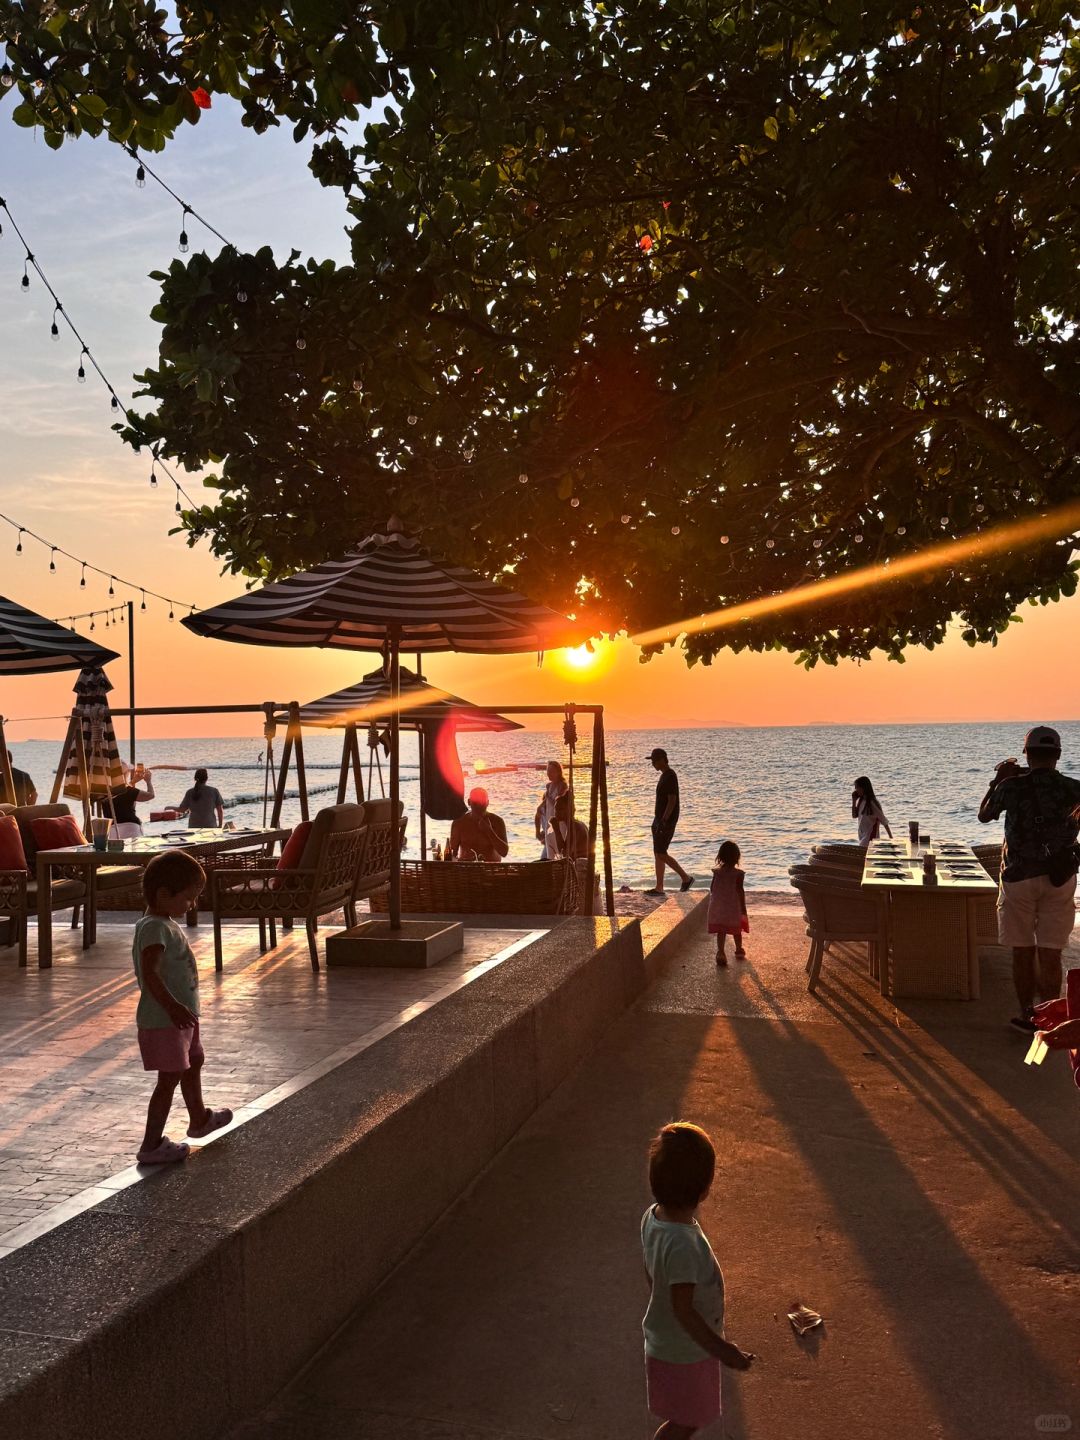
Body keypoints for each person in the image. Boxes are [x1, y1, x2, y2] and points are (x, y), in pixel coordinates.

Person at [641, 1122, 754, 1440]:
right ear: (704, 1188)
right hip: (685, 1352)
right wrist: (723, 1350)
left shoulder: (653, 1217)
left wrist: (659, 1297)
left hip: (668, 1341)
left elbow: (651, 1271)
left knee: (685, 1415)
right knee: (687, 1419)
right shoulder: (684, 1244)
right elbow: (683, 1309)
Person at [133, 851, 232, 1165]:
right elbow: (150, 973)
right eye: (189, 899)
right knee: (169, 1079)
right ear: (164, 894)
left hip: (181, 1016)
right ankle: (151, 1145)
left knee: (194, 1061)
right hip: (165, 1018)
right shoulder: (153, 928)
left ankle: (199, 1118)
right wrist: (173, 1007)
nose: (192, 905)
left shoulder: (164, 922)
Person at [978, 725, 1080, 1032]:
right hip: (1060, 878)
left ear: (1027, 754)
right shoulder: (1074, 789)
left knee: (1022, 951)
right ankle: (1050, 1022)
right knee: (1051, 952)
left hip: (1018, 877)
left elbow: (985, 815)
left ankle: (1027, 1016)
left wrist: (998, 781)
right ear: (1058, 755)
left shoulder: (1012, 787)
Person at [645, 748, 694, 897]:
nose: (652, 764)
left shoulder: (670, 776)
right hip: (659, 819)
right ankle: (659, 887)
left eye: (654, 761)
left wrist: (664, 820)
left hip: (665, 821)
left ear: (662, 760)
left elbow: (672, 800)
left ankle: (686, 878)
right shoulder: (664, 776)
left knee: (661, 853)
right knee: (657, 853)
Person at [708, 841, 749, 967]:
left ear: (720, 857)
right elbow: (740, 891)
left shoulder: (717, 872)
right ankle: (738, 949)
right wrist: (743, 908)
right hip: (733, 907)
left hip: (718, 906)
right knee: (737, 929)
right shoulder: (739, 874)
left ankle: (720, 952)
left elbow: (712, 888)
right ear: (737, 857)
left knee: (721, 930)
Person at [449, 787, 509, 862]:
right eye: (475, 802)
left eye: (482, 802)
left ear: (487, 803)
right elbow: (451, 854)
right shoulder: (459, 823)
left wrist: (489, 831)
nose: (479, 806)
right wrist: (461, 862)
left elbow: (504, 853)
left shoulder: (497, 821)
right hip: (466, 870)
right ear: (469, 802)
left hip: (492, 870)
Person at [101, 763, 155, 839]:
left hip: (112, 830)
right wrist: (148, 781)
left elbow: (121, 795)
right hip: (131, 828)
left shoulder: (104, 792)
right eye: (128, 772)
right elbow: (150, 795)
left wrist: (133, 781)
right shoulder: (128, 791)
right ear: (124, 775)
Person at [534, 760, 568, 859]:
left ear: (558, 772)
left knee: (558, 849)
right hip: (548, 819)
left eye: (552, 771)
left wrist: (548, 798)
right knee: (548, 851)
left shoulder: (562, 785)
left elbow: (559, 803)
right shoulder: (549, 786)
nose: (549, 774)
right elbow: (545, 804)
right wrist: (541, 805)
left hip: (558, 819)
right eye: (548, 771)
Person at [548, 791, 590, 860]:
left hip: (580, 866)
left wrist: (556, 829)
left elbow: (565, 854)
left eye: (560, 809)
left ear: (569, 810)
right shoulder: (576, 824)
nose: (556, 812)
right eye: (555, 809)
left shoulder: (575, 826)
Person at [851, 776, 892, 846]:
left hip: (871, 838)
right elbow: (854, 815)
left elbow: (884, 821)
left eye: (857, 787)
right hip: (862, 836)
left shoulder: (872, 803)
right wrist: (854, 800)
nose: (855, 790)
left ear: (863, 787)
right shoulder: (861, 801)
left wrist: (891, 838)